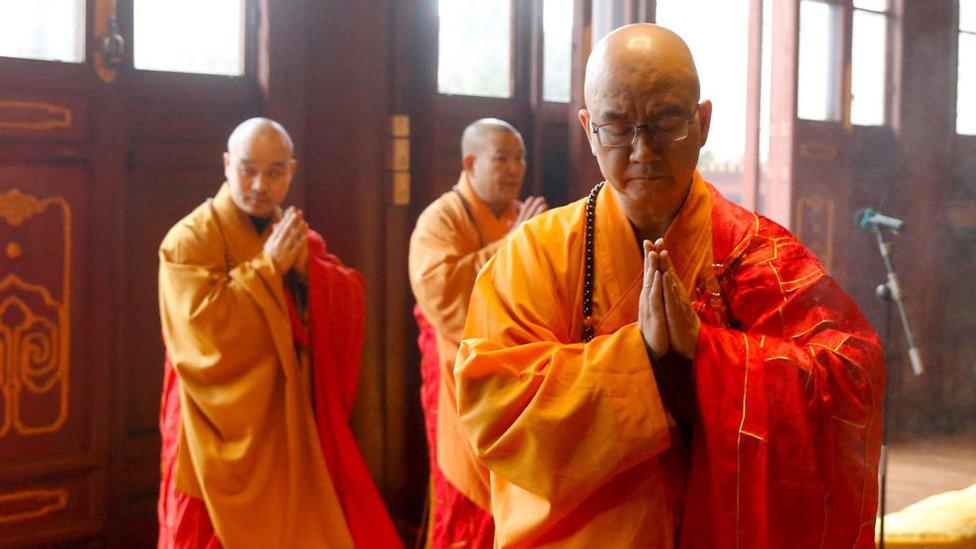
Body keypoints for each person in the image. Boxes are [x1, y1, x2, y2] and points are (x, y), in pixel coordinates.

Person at [454, 24, 884, 548]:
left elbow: (851, 374)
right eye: (616, 127)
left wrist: (706, 355)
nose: (643, 151)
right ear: (589, 130)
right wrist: (645, 359)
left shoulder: (758, 253)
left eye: (665, 122)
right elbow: (494, 408)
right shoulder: (535, 255)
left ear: (702, 122)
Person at [157, 117, 401, 548]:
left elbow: (347, 294)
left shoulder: (292, 235)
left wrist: (310, 276)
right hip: (211, 423)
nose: (258, 184)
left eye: (274, 172)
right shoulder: (189, 241)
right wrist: (268, 271)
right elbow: (202, 336)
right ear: (227, 164)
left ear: (292, 171)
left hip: (283, 422)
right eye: (248, 169)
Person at [408, 119, 547, 548]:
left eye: (520, 158)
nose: (514, 168)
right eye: (502, 158)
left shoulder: (514, 215)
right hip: (459, 384)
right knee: (464, 498)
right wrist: (512, 245)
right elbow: (441, 292)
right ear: (470, 162)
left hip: (513, 383)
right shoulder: (440, 220)